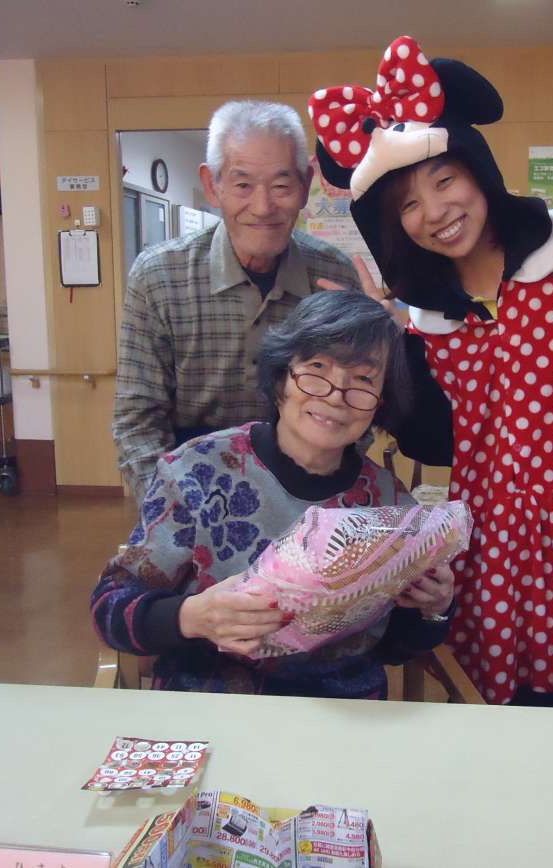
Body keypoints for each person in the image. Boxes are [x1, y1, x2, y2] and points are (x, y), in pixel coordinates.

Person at [308, 36, 553, 705]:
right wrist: (390, 340)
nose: (435, 212)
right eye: (407, 204)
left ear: (478, 171)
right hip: (503, 545)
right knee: (518, 714)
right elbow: (437, 444)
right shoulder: (429, 319)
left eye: (444, 181)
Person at [93, 290, 456, 699]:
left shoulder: (390, 505)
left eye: (363, 380)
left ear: (381, 402)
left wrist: (434, 609)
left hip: (342, 714)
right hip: (210, 704)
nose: (335, 395)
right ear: (282, 376)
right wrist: (190, 616)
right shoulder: (199, 470)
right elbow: (110, 608)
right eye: (317, 368)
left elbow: (393, 648)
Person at [113, 100, 362, 499]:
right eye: (243, 185)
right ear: (213, 185)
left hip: (310, 492)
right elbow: (136, 421)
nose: (263, 207)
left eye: (281, 186)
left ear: (305, 185)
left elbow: (357, 403)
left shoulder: (337, 275)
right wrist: (175, 511)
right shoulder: (158, 276)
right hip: (189, 489)